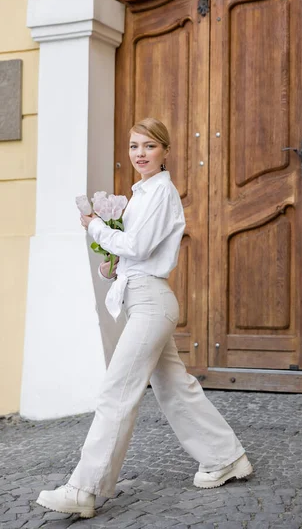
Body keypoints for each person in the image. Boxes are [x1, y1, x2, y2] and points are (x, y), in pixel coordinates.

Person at [36, 118, 252, 518]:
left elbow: (137, 243)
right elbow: (137, 252)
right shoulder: (142, 194)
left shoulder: (160, 193)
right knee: (175, 389)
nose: (140, 154)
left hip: (152, 303)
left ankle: (84, 489)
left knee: (116, 391)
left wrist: (96, 227)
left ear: (165, 151)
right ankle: (227, 457)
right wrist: (114, 266)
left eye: (149, 146)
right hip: (144, 299)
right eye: (134, 146)